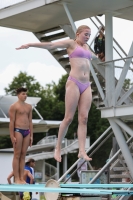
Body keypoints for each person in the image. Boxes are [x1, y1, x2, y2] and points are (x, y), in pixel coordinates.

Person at [16, 25, 98, 162]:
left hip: (86, 85)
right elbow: (51, 44)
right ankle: (58, 148)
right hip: (74, 83)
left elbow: (94, 57)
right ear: (78, 34)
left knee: (84, 118)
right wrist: (30, 44)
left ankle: (82, 151)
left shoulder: (87, 48)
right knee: (68, 118)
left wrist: (100, 56)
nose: (88, 37)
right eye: (85, 34)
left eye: (89, 35)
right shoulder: (71, 43)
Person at [9, 87, 33, 184]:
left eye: (26, 94)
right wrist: (12, 136)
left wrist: (31, 135)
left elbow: (30, 121)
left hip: (27, 131)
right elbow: (12, 122)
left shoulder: (29, 107)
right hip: (18, 130)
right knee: (17, 154)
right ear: (18, 95)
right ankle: (17, 178)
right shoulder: (14, 106)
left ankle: (22, 178)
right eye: (23, 94)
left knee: (23, 155)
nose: (25, 96)